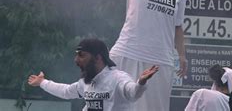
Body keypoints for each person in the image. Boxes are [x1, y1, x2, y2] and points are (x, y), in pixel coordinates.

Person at [27, 38, 159, 111]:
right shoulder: (85, 82)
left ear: (98, 58)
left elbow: (133, 93)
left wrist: (141, 83)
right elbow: (65, 91)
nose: (76, 60)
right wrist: (42, 82)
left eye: (82, 55)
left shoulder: (118, 78)